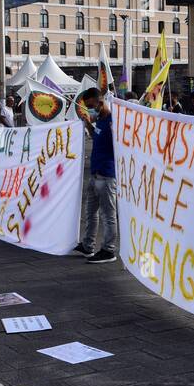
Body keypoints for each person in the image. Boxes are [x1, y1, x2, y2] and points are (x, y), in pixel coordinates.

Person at [75, 87, 117, 263]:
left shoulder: (113, 121)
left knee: (109, 215)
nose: (91, 110)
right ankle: (88, 245)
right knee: (90, 212)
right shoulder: (100, 120)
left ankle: (108, 250)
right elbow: (97, 138)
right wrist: (88, 126)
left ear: (100, 102)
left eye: (92, 106)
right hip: (95, 174)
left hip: (107, 175)